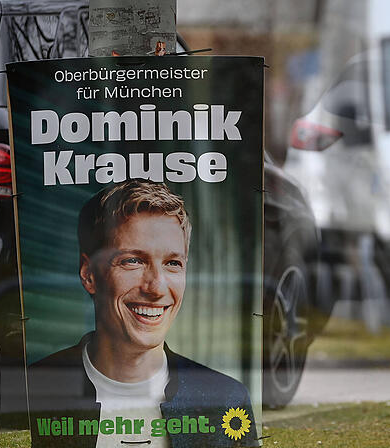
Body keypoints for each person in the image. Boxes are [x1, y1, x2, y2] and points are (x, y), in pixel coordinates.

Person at [29, 179, 258, 448]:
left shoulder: (227, 399)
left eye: (173, 263)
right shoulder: (29, 391)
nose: (156, 287)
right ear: (89, 274)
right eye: (133, 261)